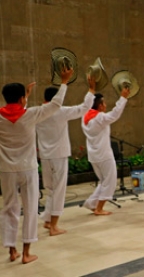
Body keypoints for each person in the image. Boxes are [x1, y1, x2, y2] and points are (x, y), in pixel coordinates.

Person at [0, 67, 72, 264]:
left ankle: (11, 250)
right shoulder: (31, 114)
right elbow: (56, 104)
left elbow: (15, 110)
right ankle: (26, 253)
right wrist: (64, 82)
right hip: (28, 169)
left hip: (6, 170)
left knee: (8, 208)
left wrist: (24, 97)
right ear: (23, 98)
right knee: (30, 208)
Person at [36, 75, 96, 236]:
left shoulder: (38, 112)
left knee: (51, 189)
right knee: (59, 190)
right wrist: (91, 90)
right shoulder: (60, 111)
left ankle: (48, 221)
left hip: (45, 156)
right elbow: (84, 108)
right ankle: (54, 225)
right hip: (59, 154)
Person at [81, 87, 130, 215]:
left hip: (93, 155)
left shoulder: (84, 118)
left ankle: (92, 203)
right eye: (104, 103)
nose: (106, 105)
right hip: (104, 154)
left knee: (103, 181)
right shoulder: (99, 118)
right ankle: (99, 208)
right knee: (110, 181)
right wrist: (123, 98)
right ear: (100, 105)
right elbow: (115, 114)